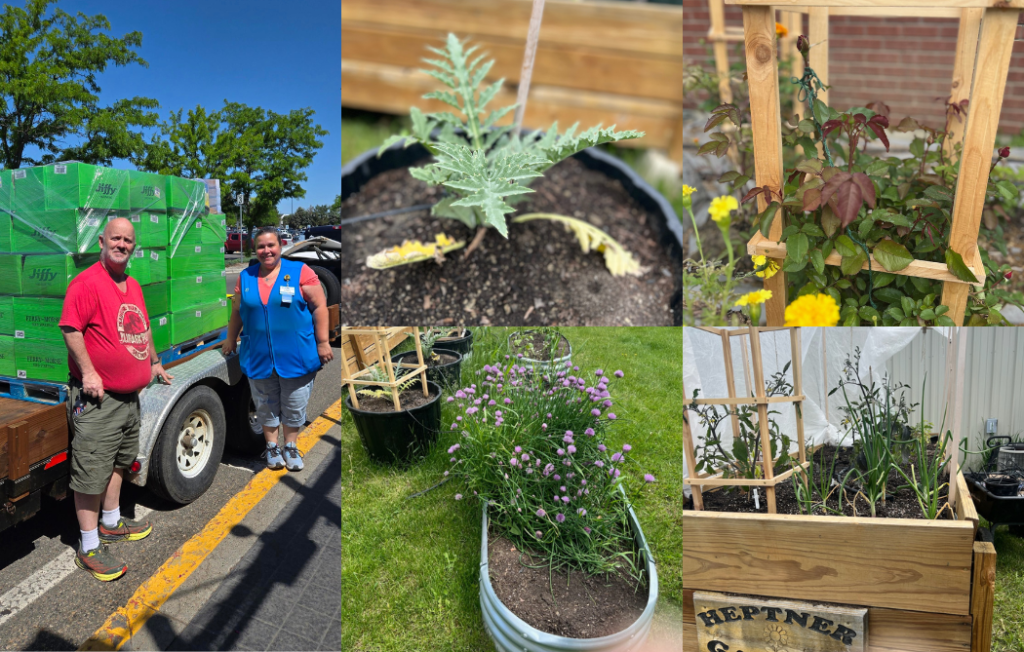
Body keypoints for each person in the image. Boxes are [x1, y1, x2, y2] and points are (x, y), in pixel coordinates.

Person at [60, 218, 174, 581]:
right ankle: (89, 546)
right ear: (101, 241)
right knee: (91, 470)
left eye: (128, 240)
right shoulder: (87, 283)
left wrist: (153, 361)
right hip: (100, 399)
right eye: (116, 238)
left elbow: (142, 326)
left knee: (118, 462)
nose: (122, 244)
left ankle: (111, 523)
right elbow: (70, 327)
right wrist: (90, 371)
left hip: (129, 398)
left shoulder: (133, 284)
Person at [223, 226, 333, 472]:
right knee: (265, 403)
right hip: (258, 356)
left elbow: (320, 307)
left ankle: (291, 447)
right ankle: (272, 448)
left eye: (271, 245)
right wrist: (231, 338)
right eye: (261, 246)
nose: (266, 251)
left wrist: (323, 342)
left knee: (294, 405)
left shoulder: (300, 272)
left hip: (297, 355)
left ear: (280, 245)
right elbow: (238, 312)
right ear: (255, 249)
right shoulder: (246, 276)